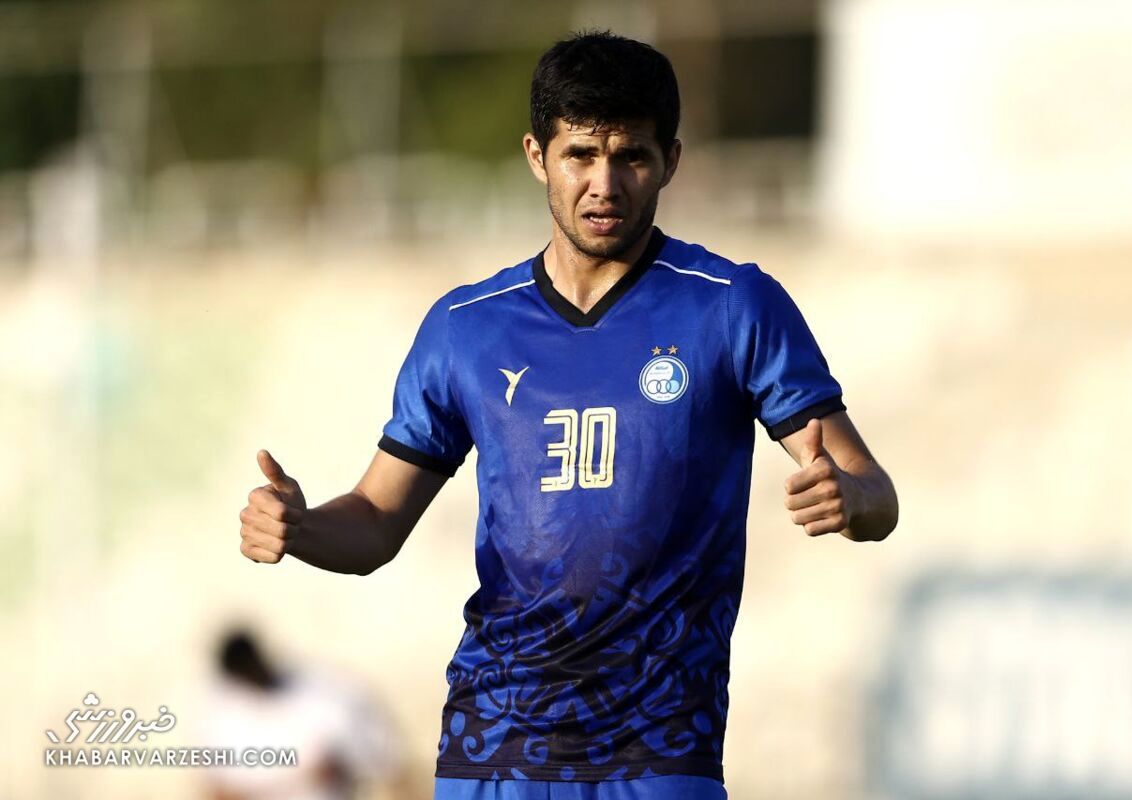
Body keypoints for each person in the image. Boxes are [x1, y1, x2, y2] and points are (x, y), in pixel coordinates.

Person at [237, 30, 898, 800]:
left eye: (631, 157)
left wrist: (850, 499)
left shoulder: (732, 305)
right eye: (580, 154)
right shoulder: (467, 327)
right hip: (494, 745)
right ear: (536, 155)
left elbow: (875, 491)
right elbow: (377, 521)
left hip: (661, 749)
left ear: (671, 161)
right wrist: (302, 527)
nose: (604, 185)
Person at [202, 628, 415, 800]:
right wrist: (302, 778)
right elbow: (219, 791)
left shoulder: (326, 694)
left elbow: (391, 767)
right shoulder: (223, 719)